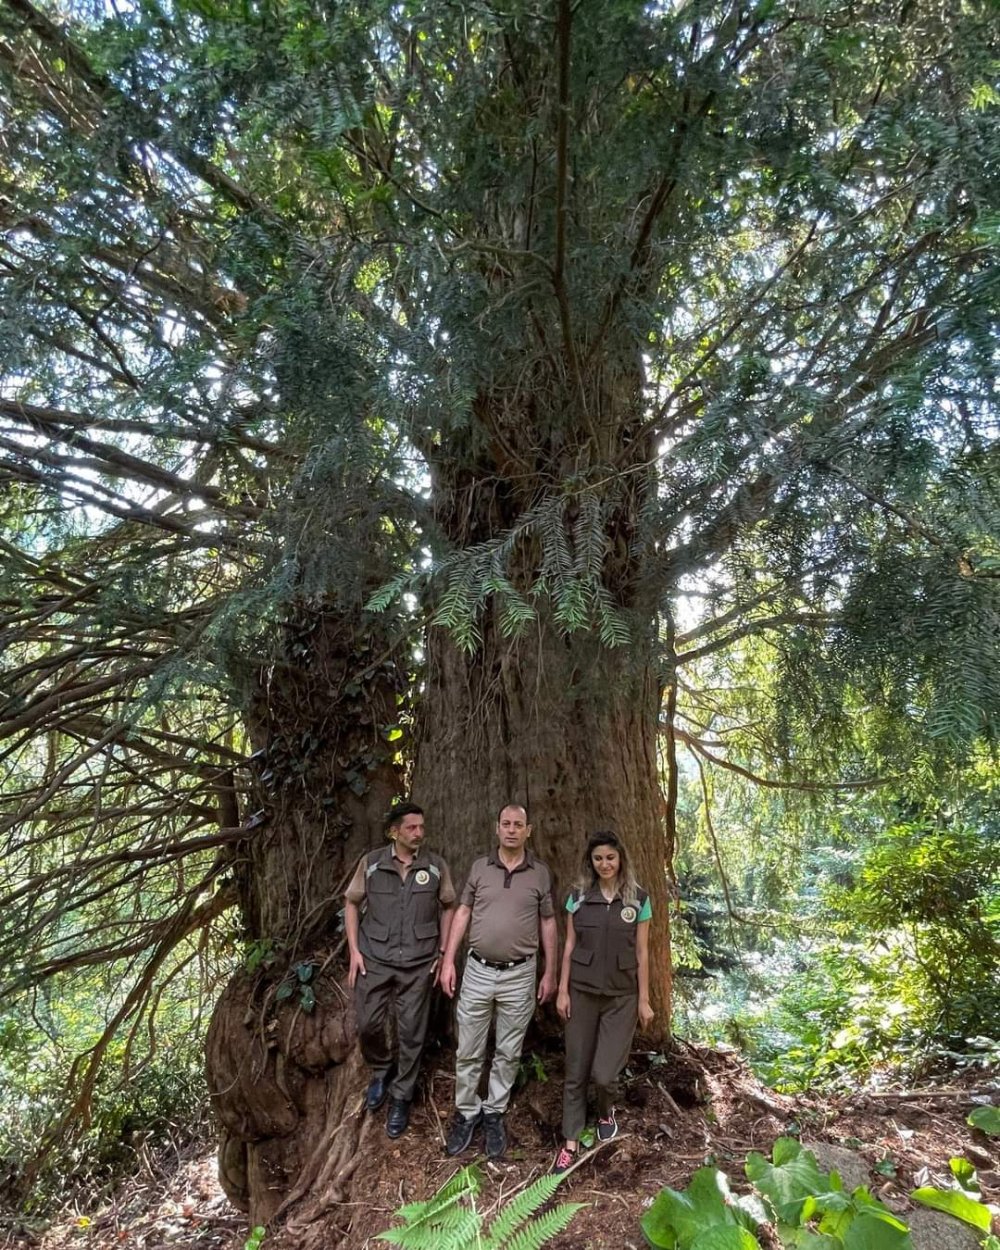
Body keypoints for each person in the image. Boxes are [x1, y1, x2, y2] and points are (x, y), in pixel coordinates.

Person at [438, 802, 557, 1161]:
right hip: (476, 969)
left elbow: (548, 922)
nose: (511, 830)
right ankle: (467, 1111)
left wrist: (550, 971)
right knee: (468, 1047)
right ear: (497, 828)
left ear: (528, 831)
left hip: (520, 974)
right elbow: (463, 912)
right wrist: (448, 960)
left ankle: (494, 1112)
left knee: (508, 1050)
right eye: (506, 823)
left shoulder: (539, 873)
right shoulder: (479, 868)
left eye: (518, 825)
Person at [344, 802, 455, 1139]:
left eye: (421, 827)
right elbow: (351, 902)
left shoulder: (435, 866)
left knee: (412, 1032)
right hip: (375, 957)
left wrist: (443, 951)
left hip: (419, 961)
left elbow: (449, 906)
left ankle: (401, 1097)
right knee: (368, 1023)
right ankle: (380, 1070)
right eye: (411, 828)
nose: (419, 833)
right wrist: (353, 951)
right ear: (394, 831)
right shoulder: (372, 863)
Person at [553, 831, 653, 1172]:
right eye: (598, 858)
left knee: (604, 1074)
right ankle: (569, 1140)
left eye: (610, 857)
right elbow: (568, 946)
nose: (605, 864)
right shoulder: (578, 897)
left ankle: (605, 1111)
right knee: (576, 1069)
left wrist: (644, 1000)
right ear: (590, 861)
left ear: (620, 858)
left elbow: (642, 952)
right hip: (581, 993)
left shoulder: (638, 900)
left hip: (621, 998)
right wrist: (562, 990)